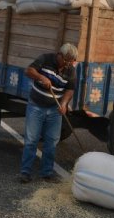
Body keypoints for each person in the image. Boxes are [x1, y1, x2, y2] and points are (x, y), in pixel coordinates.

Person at [18, 43, 78, 183]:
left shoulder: (70, 70)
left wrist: (64, 104)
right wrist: (41, 77)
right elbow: (29, 71)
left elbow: (70, 89)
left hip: (54, 110)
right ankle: (25, 172)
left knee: (51, 142)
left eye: (71, 62)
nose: (68, 64)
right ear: (59, 55)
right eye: (66, 61)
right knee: (31, 140)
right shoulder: (45, 59)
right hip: (36, 106)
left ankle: (46, 173)